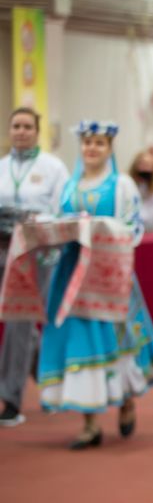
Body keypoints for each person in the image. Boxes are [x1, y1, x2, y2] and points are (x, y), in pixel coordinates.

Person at [38, 120, 153, 449]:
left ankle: (125, 400)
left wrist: (99, 228)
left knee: (117, 340)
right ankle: (90, 422)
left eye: (98, 143)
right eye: (87, 142)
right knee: (79, 342)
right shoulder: (68, 186)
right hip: (72, 278)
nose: (91, 148)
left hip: (109, 277)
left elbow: (133, 228)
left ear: (110, 148)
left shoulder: (121, 184)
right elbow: (56, 222)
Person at [0, 108, 69, 427]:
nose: (21, 131)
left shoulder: (53, 167)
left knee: (20, 320)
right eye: (16, 126)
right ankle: (54, 383)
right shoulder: (2, 167)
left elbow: (64, 209)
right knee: (22, 324)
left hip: (37, 251)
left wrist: (34, 219)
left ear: (37, 131)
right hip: (3, 248)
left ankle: (10, 399)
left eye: (27, 126)